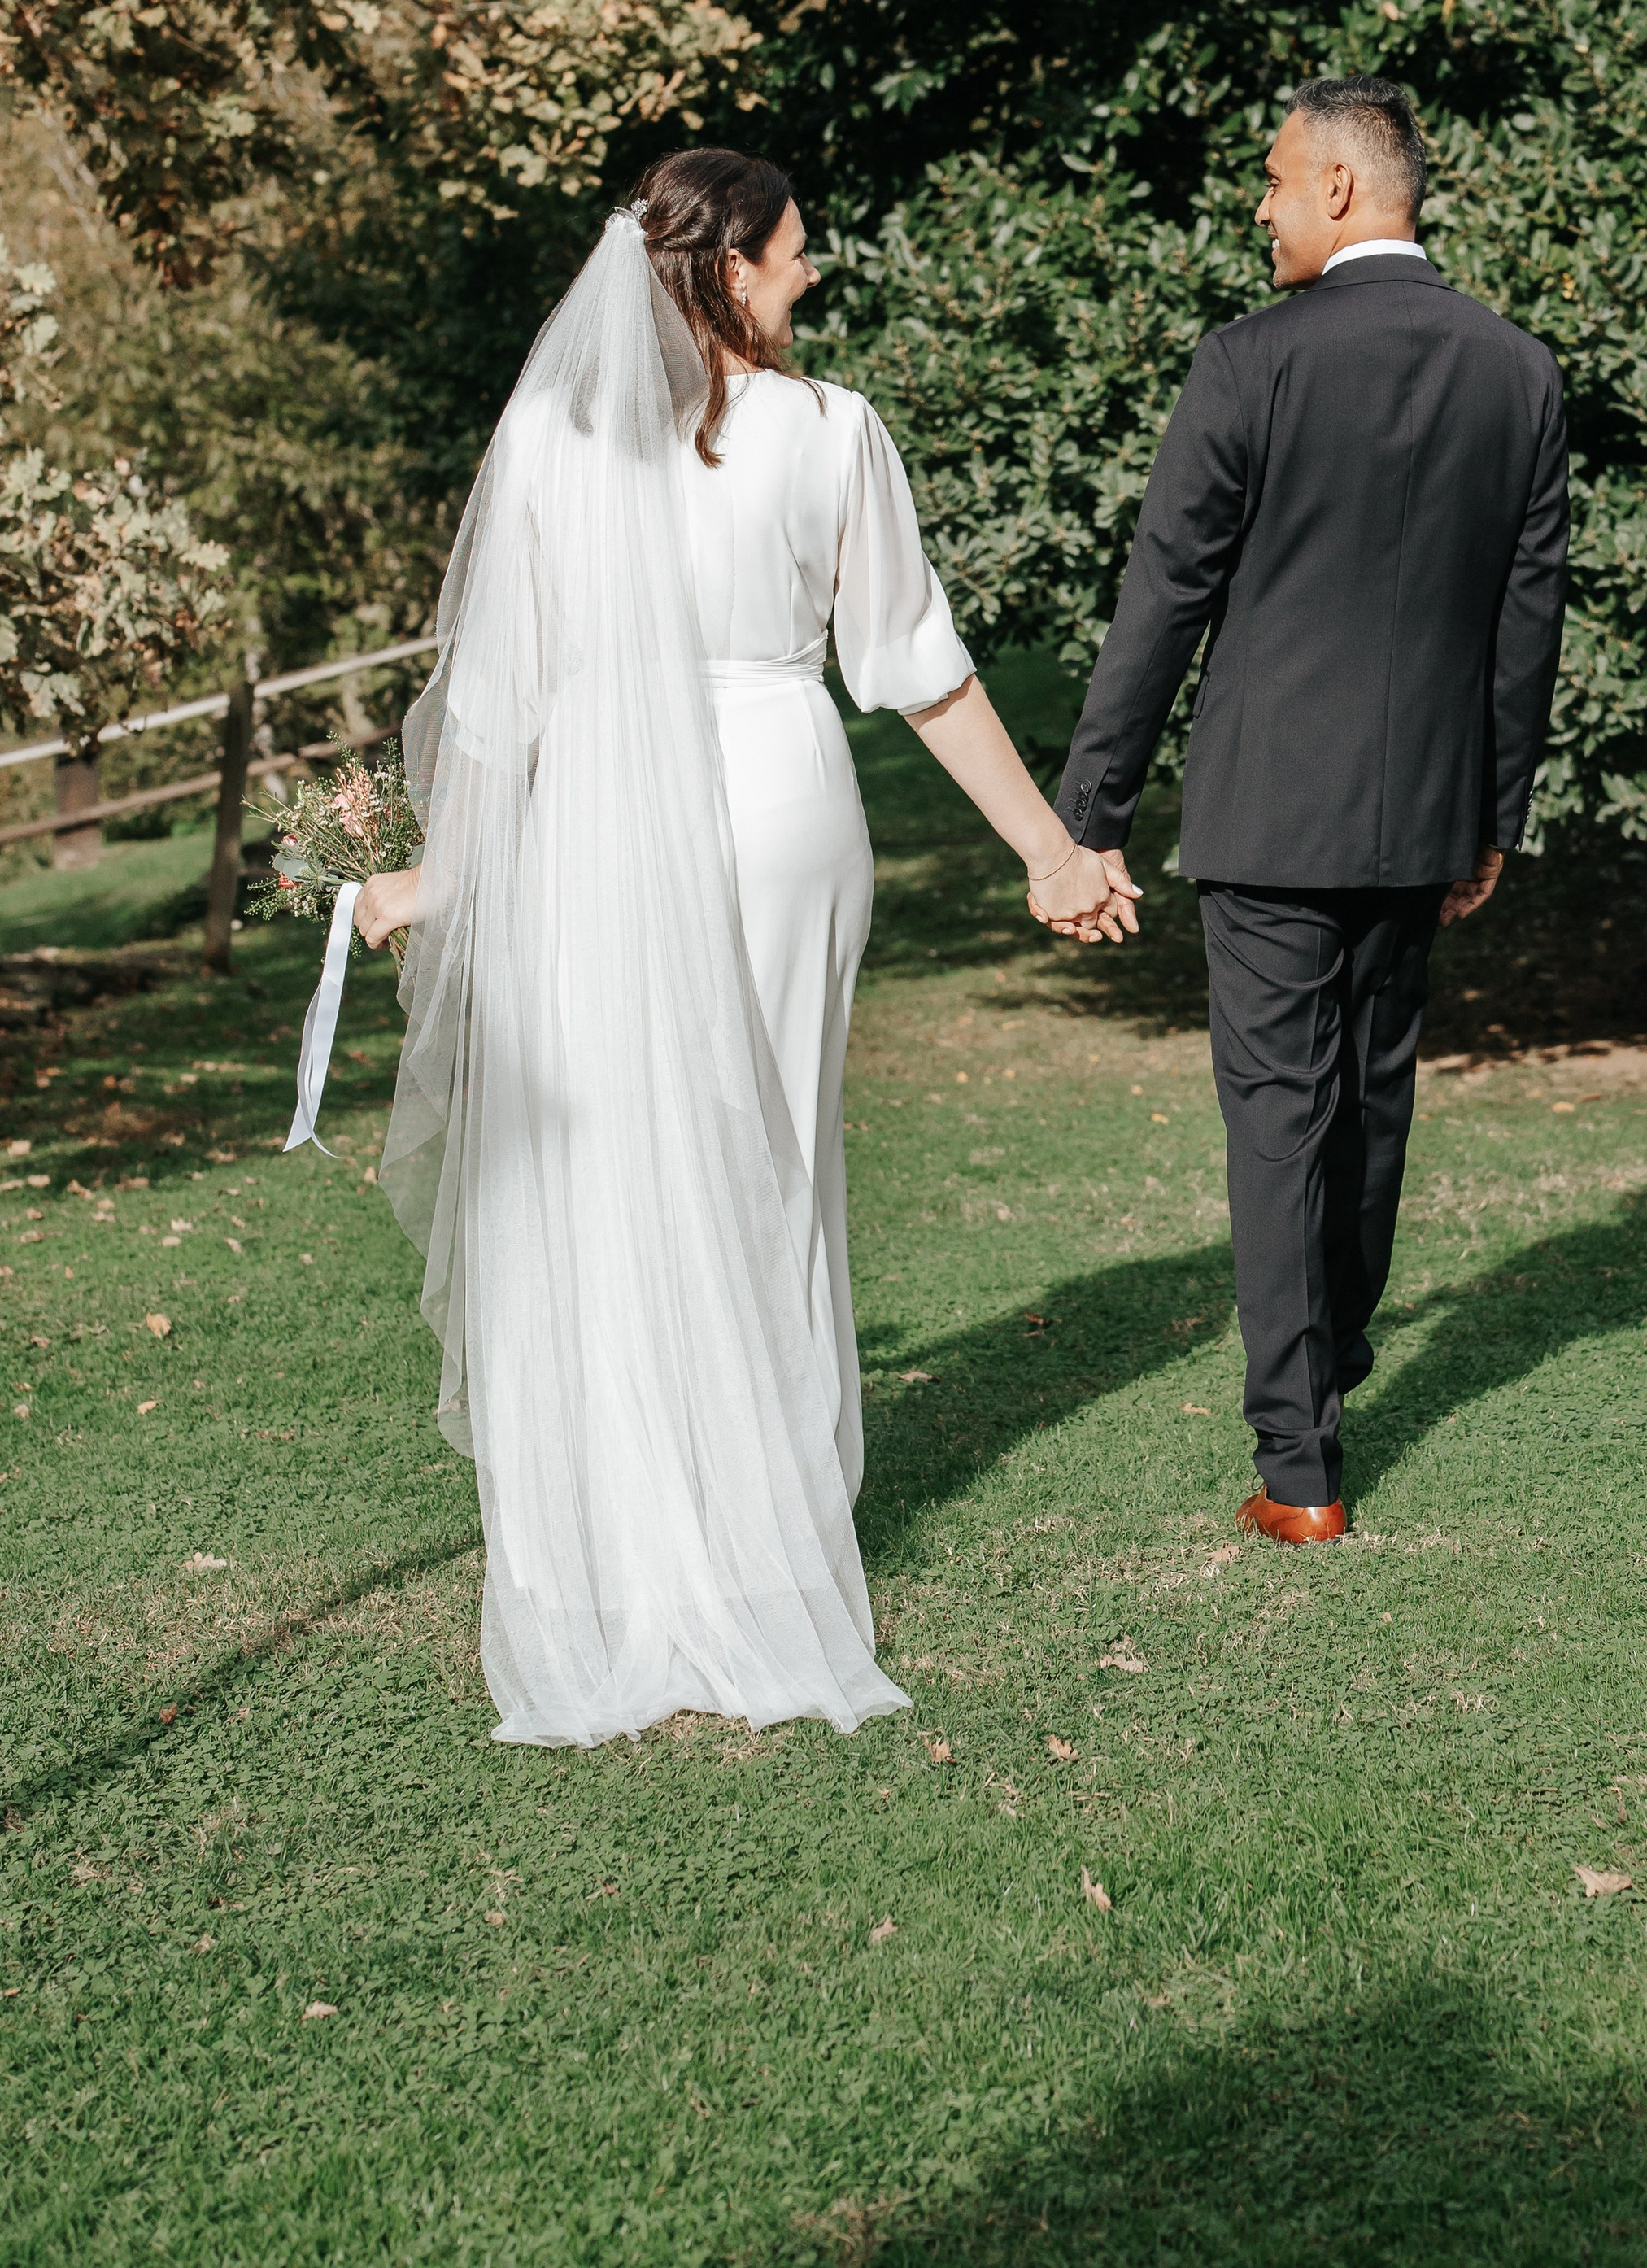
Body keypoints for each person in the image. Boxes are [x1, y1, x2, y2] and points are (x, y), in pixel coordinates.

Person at [356, 150, 1119, 1745]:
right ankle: (769, 1556)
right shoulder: (830, 433)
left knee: (617, 1179)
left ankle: (629, 1563)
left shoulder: (548, 440)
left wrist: (449, 870)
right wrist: (1044, 848)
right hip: (780, 799)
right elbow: (917, 668)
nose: (810, 276)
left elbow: (495, 707)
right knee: (778, 1172)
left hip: (595, 825)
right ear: (725, 270)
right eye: (789, 255)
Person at [1050, 76, 1568, 1546]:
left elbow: (1165, 599)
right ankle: (1330, 1367)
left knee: (1281, 1119)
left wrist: (1091, 811)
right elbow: (1525, 625)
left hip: (1269, 813)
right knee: (1374, 1101)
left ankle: (1300, 1469)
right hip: (1418, 818)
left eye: (1274, 182)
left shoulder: (1248, 362)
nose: (1260, 209)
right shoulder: (1520, 372)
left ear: (1341, 188)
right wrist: (1493, 814)